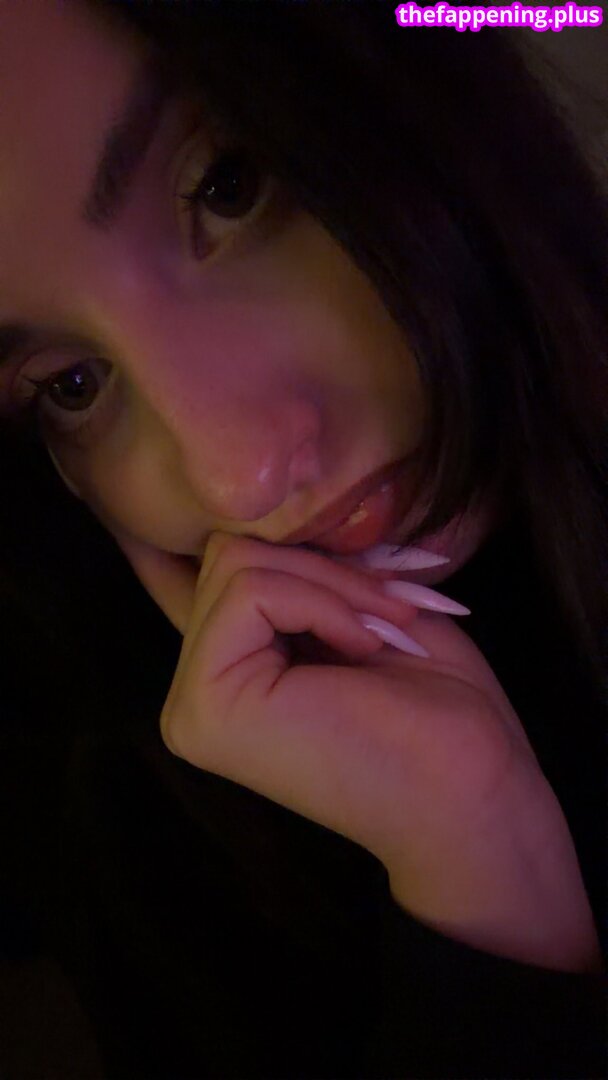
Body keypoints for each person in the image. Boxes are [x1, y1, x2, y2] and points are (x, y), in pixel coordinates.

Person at [0, 1, 605, 1076]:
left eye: (226, 186)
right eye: (72, 386)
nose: (239, 473)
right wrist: (479, 874)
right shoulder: (144, 847)